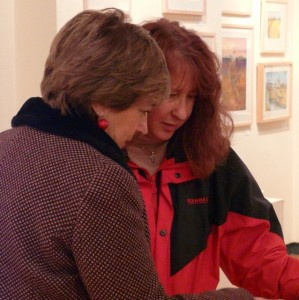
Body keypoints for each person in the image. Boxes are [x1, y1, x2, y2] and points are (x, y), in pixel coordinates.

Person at [0, 8, 255, 300]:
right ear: (104, 101)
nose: (142, 126)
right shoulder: (100, 180)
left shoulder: (6, 146)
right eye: (142, 110)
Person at [126, 18, 299, 300]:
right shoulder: (98, 160)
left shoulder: (211, 159)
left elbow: (258, 257)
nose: (181, 112)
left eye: (191, 97)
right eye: (171, 95)